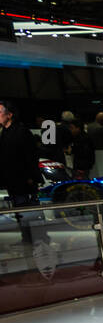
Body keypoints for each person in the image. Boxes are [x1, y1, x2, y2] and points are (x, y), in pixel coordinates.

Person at [0, 99, 41, 241]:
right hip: (12, 179)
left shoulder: (22, 132)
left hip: (23, 180)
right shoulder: (5, 132)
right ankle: (26, 237)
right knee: (19, 209)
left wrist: (30, 177)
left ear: (9, 115)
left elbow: (31, 156)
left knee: (26, 209)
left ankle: (33, 237)